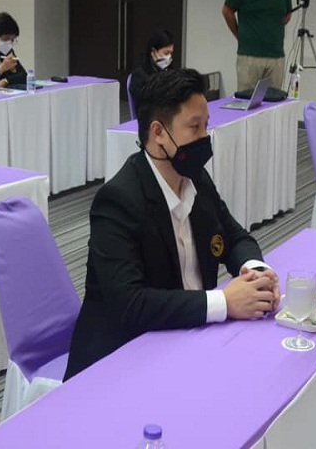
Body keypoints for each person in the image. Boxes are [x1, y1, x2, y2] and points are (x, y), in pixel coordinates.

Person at [64, 68, 280, 380]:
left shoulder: (196, 179)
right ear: (159, 133)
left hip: (189, 334)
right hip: (123, 356)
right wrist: (224, 301)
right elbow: (130, 304)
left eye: (206, 125)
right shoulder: (118, 200)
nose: (205, 137)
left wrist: (255, 272)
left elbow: (234, 237)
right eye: (194, 127)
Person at [222, 0, 293, 91]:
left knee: (274, 99)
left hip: (276, 56)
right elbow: (227, 10)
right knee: (247, 98)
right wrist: (239, 34)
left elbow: (287, 15)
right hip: (250, 56)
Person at [128, 29, 174, 114]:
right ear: (153, 52)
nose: (169, 57)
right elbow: (145, 102)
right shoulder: (139, 75)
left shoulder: (170, 71)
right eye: (166, 53)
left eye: (171, 53)